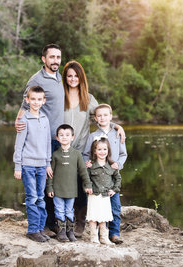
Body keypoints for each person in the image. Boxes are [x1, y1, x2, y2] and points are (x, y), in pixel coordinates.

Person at [61, 60, 126, 237]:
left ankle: (80, 223)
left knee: (82, 185)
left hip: (82, 149)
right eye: (69, 76)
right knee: (61, 186)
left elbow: (101, 116)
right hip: (62, 147)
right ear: (65, 78)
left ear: (81, 78)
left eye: (76, 76)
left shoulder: (88, 99)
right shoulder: (60, 96)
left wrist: (116, 126)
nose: (73, 79)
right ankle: (57, 223)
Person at [15, 44, 64, 233]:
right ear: (43, 59)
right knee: (42, 186)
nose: (55, 61)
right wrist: (18, 123)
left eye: (58, 57)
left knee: (53, 183)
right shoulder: (37, 79)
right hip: (43, 140)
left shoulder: (60, 77)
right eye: (52, 57)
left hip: (59, 140)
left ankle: (50, 223)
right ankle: (42, 226)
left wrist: (114, 125)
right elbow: (24, 104)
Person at [13, 86, 53, 243]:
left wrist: (48, 163)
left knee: (41, 198)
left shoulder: (44, 118)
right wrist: (18, 166)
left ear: (44, 101)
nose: (36, 102)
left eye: (39, 99)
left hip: (42, 166)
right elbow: (19, 144)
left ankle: (40, 229)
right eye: (33, 99)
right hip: (28, 165)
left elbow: (48, 142)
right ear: (27, 100)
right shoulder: (24, 120)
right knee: (32, 198)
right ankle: (32, 230)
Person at [83, 104, 127, 244]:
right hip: (97, 179)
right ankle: (101, 234)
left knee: (114, 206)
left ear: (111, 116)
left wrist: (118, 164)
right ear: (95, 118)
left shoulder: (117, 133)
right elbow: (85, 154)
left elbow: (123, 154)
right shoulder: (93, 136)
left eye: (105, 115)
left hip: (111, 176)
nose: (103, 118)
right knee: (99, 207)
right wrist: (87, 163)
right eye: (99, 115)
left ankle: (114, 234)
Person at [46, 124, 93, 242]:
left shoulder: (76, 154)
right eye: (61, 135)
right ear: (57, 138)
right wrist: (50, 188)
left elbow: (83, 171)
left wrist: (87, 185)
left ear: (73, 137)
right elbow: (50, 174)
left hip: (71, 190)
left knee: (69, 210)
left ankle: (69, 231)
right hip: (57, 189)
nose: (64, 137)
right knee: (59, 210)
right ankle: (61, 232)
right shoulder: (55, 155)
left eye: (67, 135)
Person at [86, 137, 121, 245]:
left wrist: (114, 190)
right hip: (94, 194)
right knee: (93, 216)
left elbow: (118, 178)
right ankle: (93, 237)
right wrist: (87, 187)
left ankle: (104, 237)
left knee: (104, 216)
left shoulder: (112, 166)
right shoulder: (91, 166)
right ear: (95, 151)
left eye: (105, 149)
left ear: (108, 150)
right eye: (99, 149)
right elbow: (86, 178)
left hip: (106, 195)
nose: (102, 152)